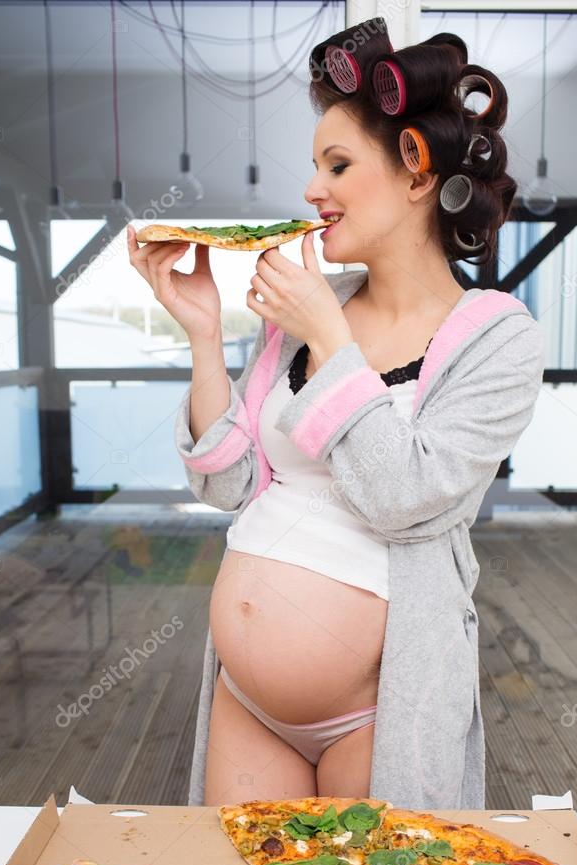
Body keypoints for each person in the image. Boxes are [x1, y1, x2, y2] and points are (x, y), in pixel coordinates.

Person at [127, 20, 545, 811]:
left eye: (339, 165)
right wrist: (206, 335)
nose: (314, 191)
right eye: (315, 166)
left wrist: (328, 335)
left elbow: (407, 497)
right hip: (248, 704)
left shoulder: (499, 339)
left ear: (418, 173)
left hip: (375, 717)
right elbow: (230, 485)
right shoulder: (304, 316)